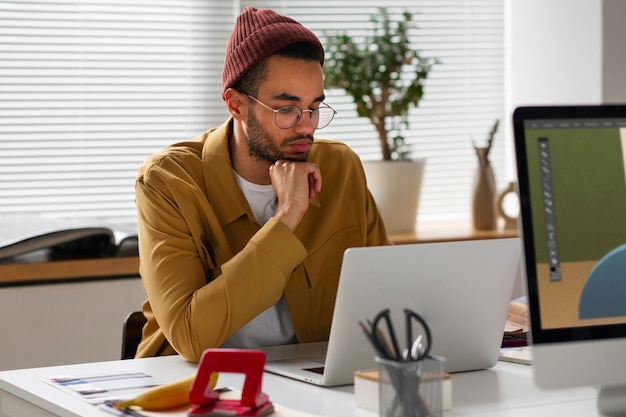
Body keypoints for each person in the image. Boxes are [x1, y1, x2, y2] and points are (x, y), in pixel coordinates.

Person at [134, 6, 391, 362]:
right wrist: (286, 218)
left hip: (313, 383)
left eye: (314, 107)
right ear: (236, 105)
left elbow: (389, 296)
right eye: (287, 109)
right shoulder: (169, 181)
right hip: (199, 389)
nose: (307, 127)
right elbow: (191, 337)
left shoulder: (340, 166)